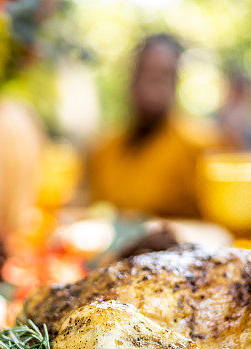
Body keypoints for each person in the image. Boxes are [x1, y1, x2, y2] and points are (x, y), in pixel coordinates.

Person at [88, 34, 224, 218]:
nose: (151, 86)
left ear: (176, 82)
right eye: (145, 73)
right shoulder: (103, 148)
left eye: (162, 76)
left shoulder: (202, 146)